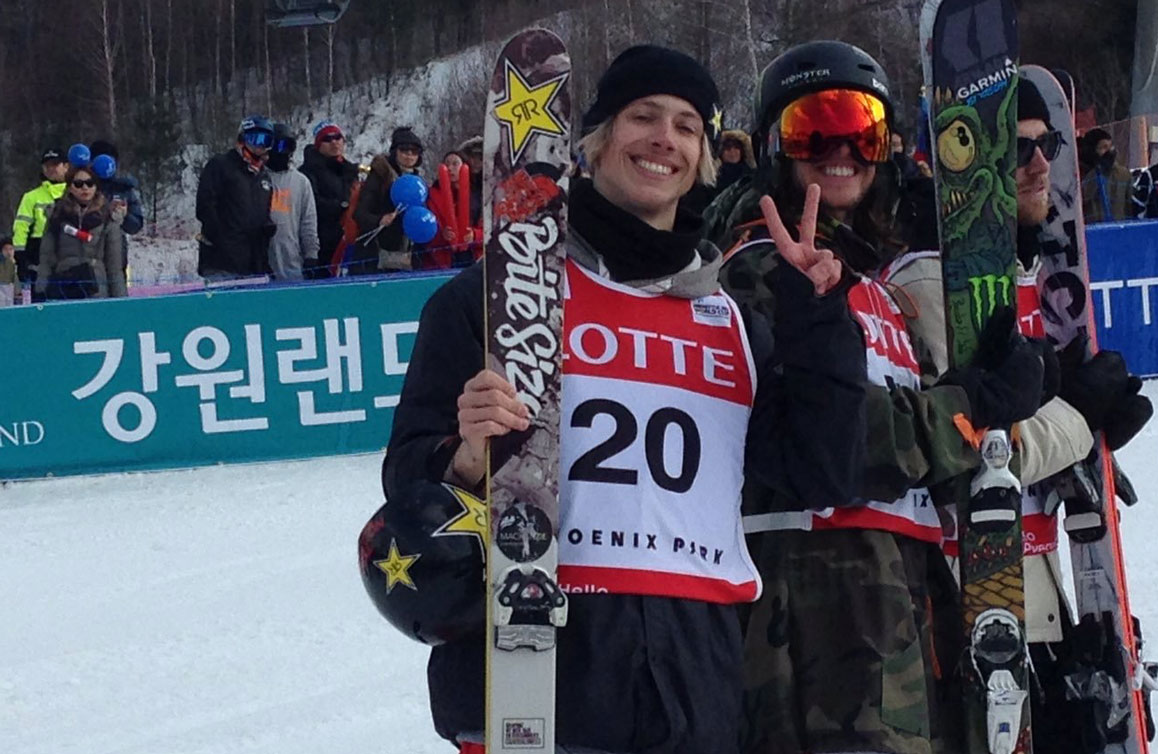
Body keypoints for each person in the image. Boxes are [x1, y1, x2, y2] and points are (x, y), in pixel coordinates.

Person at [381, 44, 869, 754]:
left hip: (693, 683)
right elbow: (405, 483)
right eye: (643, 117)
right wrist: (461, 461)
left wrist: (822, 322)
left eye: (686, 126)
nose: (663, 139)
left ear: (703, 157)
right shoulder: (498, 301)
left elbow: (823, 474)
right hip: (543, 677)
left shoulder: (735, 323)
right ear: (597, 140)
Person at [708, 41, 1055, 754]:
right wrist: (971, 407)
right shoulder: (758, 274)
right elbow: (845, 440)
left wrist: (1015, 406)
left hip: (896, 603)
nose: (841, 149)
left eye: (861, 128)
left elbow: (926, 459)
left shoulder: (879, 292)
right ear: (775, 145)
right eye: (813, 127)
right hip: (814, 618)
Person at [884, 75, 1153, 754]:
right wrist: (1075, 421)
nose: (1041, 165)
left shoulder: (1028, 279)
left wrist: (1086, 462)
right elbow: (960, 455)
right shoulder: (923, 284)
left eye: (1047, 146)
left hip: (1031, 591)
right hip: (961, 605)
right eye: (1017, 151)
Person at [195, 116, 277, 279]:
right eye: (254, 139)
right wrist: (220, 239)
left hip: (253, 264)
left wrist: (266, 230)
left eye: (265, 140)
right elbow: (205, 206)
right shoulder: (221, 165)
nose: (260, 145)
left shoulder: (264, 177)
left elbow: (261, 213)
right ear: (242, 140)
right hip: (222, 263)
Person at [34, 164, 126, 300]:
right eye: (78, 184)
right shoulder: (57, 215)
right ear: (70, 187)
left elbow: (114, 266)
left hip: (97, 289)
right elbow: (46, 257)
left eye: (90, 183)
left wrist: (120, 301)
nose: (85, 188)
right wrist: (40, 292)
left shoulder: (107, 217)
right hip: (65, 286)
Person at [350, 126, 425, 274]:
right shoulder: (380, 176)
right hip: (374, 256)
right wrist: (379, 220)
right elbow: (360, 213)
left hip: (405, 256)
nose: (409, 155)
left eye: (414, 151)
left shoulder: (418, 182)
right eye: (404, 149)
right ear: (394, 151)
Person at [299, 120, 359, 277]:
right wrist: (342, 206)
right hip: (323, 244)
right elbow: (311, 205)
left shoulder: (350, 170)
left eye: (338, 137)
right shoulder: (308, 171)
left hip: (349, 241)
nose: (334, 143)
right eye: (327, 139)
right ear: (319, 144)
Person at [265, 123, 320, 281]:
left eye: (286, 146)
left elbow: (308, 222)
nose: (281, 151)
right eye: (276, 146)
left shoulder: (301, 182)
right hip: (261, 263)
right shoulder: (256, 178)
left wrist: (311, 255)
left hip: (293, 263)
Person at [11, 147, 69, 284]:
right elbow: (21, 227)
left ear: (66, 166)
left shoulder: (75, 192)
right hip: (38, 252)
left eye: (55, 164)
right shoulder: (31, 197)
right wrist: (20, 256)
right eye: (47, 165)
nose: (51, 169)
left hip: (68, 250)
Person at [89, 140, 144, 236]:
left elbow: (136, 226)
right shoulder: (82, 186)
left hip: (115, 246)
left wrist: (124, 216)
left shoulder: (123, 189)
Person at [1078, 127, 1133, 223]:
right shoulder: (1082, 175)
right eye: (1103, 147)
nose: (1109, 151)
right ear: (1092, 151)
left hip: (1119, 228)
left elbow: (1130, 205)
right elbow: (1083, 198)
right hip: (1092, 230)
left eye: (1110, 146)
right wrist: (1099, 170)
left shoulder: (1123, 174)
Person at [0, 236, 17, 307]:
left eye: (11, 249)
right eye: (6, 249)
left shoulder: (13, 263)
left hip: (9, 291)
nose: (8, 252)